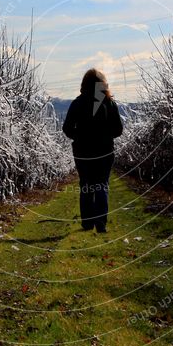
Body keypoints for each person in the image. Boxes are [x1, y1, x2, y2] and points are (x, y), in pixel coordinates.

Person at [62, 68, 123, 233]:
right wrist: (104, 135)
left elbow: (67, 128)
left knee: (86, 185)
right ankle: (101, 221)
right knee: (102, 184)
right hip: (105, 151)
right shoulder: (109, 103)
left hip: (82, 151)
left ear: (84, 84)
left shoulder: (77, 103)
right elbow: (118, 130)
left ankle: (87, 223)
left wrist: (79, 137)